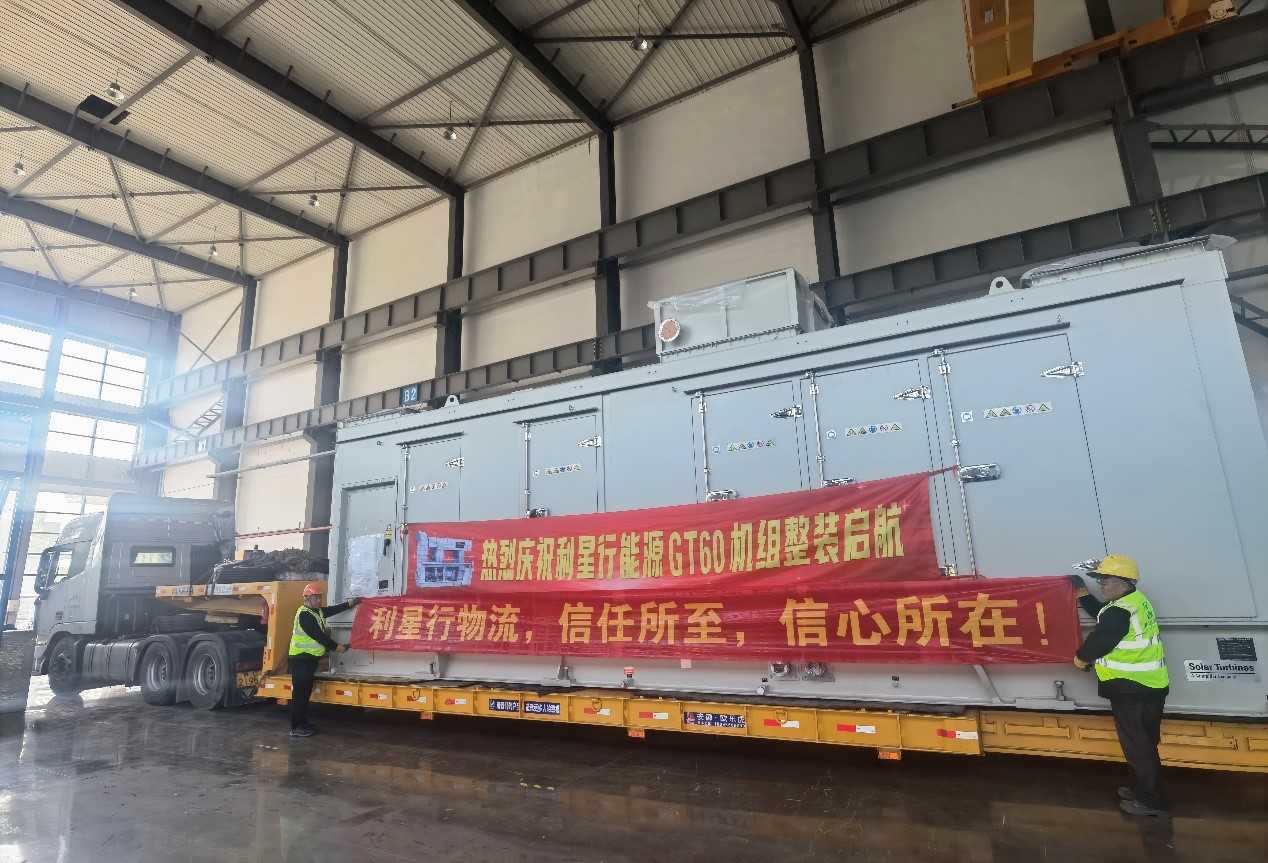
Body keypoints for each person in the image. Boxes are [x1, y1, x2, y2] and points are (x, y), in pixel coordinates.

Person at [1070, 554, 1170, 817]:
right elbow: (1102, 614)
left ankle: (1151, 802)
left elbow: (1102, 638)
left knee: (1138, 746)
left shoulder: (1120, 610)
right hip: (1150, 685)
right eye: (1100, 580)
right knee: (1144, 743)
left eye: (1105, 580)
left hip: (1132, 688)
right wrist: (1083, 593)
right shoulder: (1133, 602)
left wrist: (1081, 658)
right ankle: (1142, 789)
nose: (1101, 584)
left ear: (1123, 581)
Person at [287, 583, 361, 738]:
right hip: (301, 660)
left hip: (308, 660)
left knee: (305, 694)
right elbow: (319, 636)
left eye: (320, 597)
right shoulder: (304, 615)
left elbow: (331, 610)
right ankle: (296, 727)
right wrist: (338, 647)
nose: (319, 600)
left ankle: (303, 724)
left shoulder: (317, 612)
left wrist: (349, 604)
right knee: (300, 696)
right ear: (307, 598)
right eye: (316, 598)